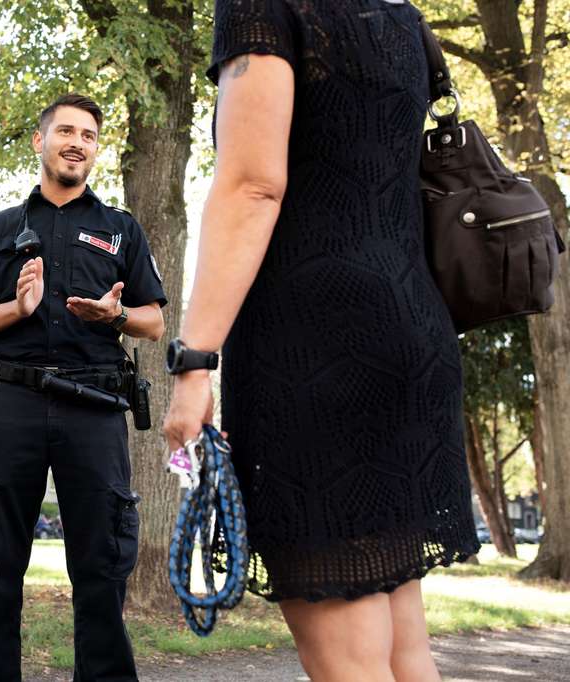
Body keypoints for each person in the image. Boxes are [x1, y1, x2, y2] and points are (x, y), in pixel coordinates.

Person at [162, 2, 482, 681]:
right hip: (413, 335)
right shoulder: (401, 17)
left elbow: (253, 187)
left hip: (315, 350)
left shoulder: (265, 6)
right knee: (403, 652)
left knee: (350, 665)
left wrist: (193, 360)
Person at [0, 93, 167, 682]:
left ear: (95, 149)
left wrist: (116, 316)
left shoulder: (120, 229)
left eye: (88, 135)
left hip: (94, 407)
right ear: (39, 141)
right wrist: (16, 310)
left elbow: (153, 321)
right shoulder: (2, 227)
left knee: (102, 563)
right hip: (12, 404)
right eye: (66, 131)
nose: (77, 143)